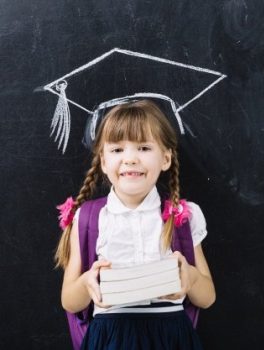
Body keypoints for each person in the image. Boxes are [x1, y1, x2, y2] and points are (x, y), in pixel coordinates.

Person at [54, 99, 215, 349]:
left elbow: (207, 298)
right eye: (117, 150)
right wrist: (88, 283)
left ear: (165, 158)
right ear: (104, 162)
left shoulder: (183, 216)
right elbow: (69, 301)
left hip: (170, 336)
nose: (130, 159)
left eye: (143, 148)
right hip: (110, 337)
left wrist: (190, 277)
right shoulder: (87, 218)